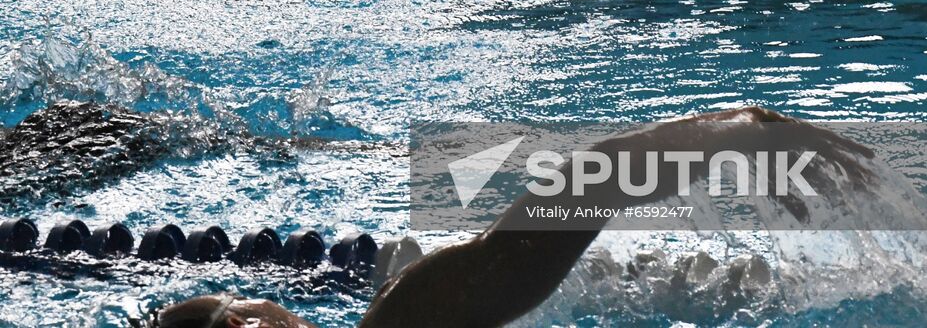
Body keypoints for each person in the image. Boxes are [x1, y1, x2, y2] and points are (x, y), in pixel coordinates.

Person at [144, 107, 876, 328]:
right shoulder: (410, 317)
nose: (260, 308)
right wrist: (745, 132)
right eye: (238, 311)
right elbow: (583, 191)